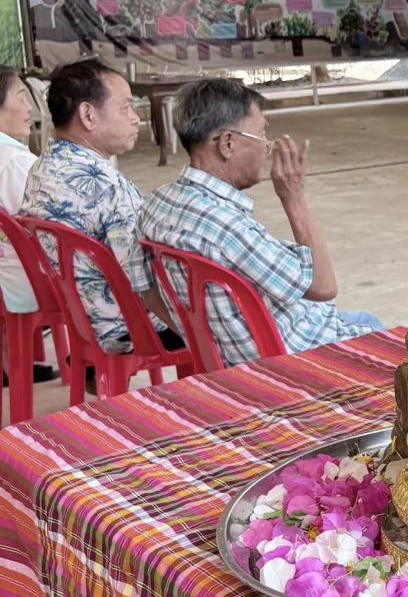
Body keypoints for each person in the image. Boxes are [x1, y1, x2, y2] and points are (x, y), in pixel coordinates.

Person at [138, 79, 382, 366]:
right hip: (295, 354)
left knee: (361, 316)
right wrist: (294, 197)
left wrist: (206, 343)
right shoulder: (227, 228)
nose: (267, 148)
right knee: (384, 331)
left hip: (238, 354)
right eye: (262, 135)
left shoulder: (153, 205)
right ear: (228, 144)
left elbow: (148, 295)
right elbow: (323, 287)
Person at [21, 59, 182, 369]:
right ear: (88, 115)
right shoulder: (105, 187)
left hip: (83, 321)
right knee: (232, 307)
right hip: (129, 328)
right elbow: (148, 280)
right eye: (125, 107)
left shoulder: (41, 169)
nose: (135, 118)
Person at [0, 68, 56, 386]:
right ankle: (92, 359)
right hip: (21, 281)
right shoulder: (14, 161)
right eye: (22, 97)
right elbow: (49, 225)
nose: (29, 108)